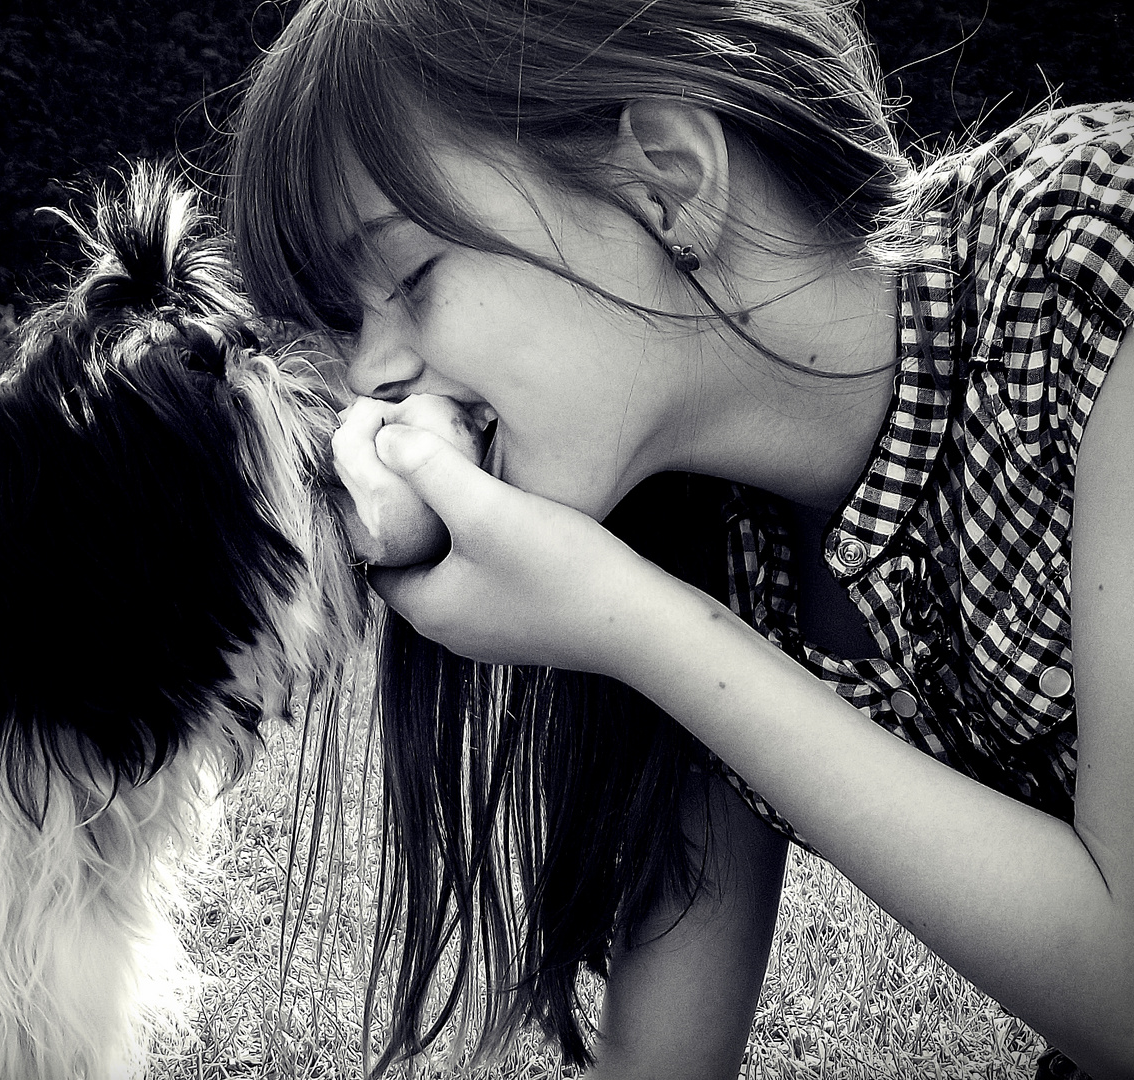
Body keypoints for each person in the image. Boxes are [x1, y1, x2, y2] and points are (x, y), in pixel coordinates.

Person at [226, 1, 1134, 1077]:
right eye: (345, 321)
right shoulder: (702, 525)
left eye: (409, 277)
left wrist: (635, 628)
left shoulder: (1090, 261)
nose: (367, 380)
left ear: (664, 175)